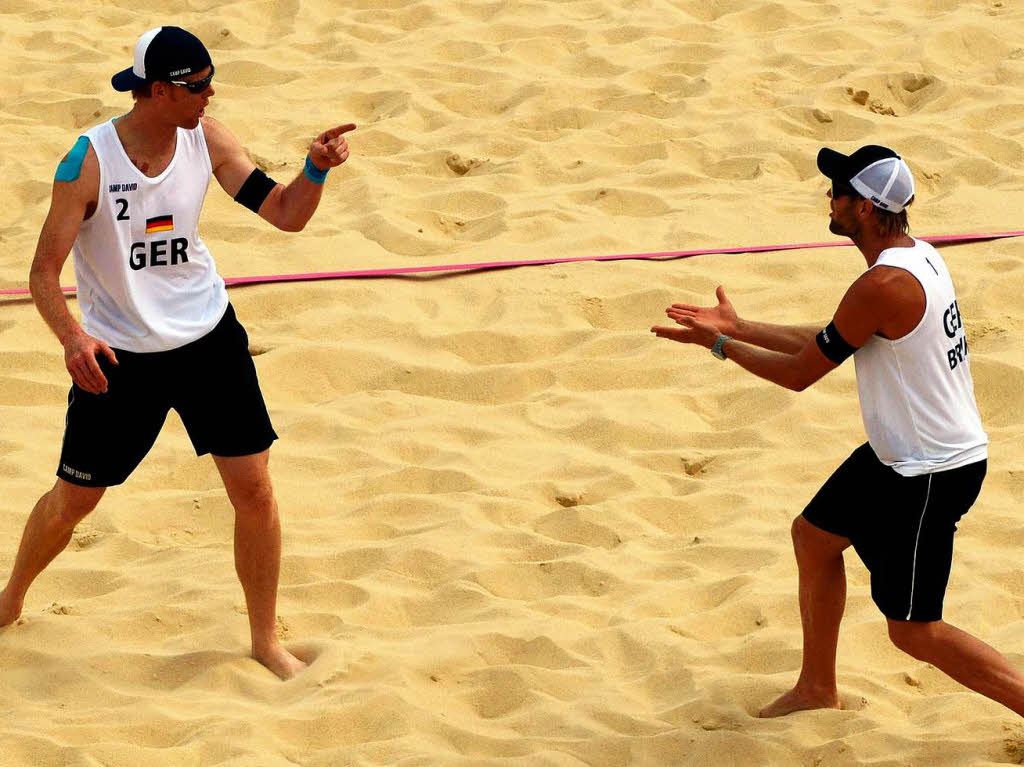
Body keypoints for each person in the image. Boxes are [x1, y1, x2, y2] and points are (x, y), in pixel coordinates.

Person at [0, 26, 355, 680]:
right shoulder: (88, 163)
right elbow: (44, 273)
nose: (209, 94)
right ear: (158, 91)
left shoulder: (207, 138)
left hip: (208, 341)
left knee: (254, 489)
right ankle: (11, 597)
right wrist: (73, 337)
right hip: (120, 359)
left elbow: (284, 213)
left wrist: (313, 170)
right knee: (72, 502)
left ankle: (263, 640)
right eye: (198, 86)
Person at [652, 145, 1024, 717]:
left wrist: (720, 345)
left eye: (839, 192)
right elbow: (832, 338)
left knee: (914, 632)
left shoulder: (882, 286)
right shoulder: (916, 255)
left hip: (929, 472)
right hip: (898, 455)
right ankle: (816, 689)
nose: (830, 198)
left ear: (867, 211)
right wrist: (741, 325)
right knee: (814, 537)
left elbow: (802, 374)